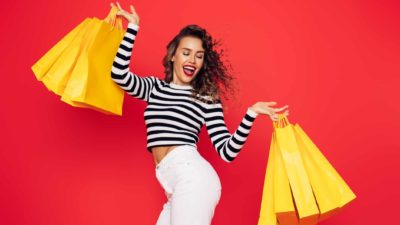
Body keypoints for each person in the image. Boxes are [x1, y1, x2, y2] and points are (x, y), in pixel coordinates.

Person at [109, 2, 289, 225]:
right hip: (173, 186)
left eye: (199, 56)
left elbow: (227, 151)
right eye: (186, 53)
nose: (192, 60)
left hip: (193, 179)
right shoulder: (154, 88)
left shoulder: (205, 97)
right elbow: (118, 75)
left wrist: (250, 114)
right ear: (173, 56)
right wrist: (133, 28)